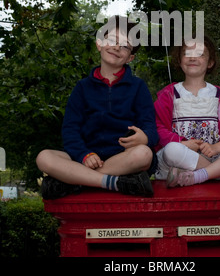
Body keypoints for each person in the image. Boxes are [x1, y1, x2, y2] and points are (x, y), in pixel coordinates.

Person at [36, 16, 158, 199]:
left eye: (125, 46)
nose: (117, 47)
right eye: (112, 40)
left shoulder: (138, 87)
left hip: (122, 158)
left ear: (130, 57)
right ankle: (112, 183)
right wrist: (84, 154)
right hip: (87, 157)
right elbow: (70, 130)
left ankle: (76, 180)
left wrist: (145, 137)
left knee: (144, 154)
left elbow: (151, 128)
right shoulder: (82, 88)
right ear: (99, 44)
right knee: (44, 157)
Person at [154, 35, 220, 188]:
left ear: (210, 62)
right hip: (181, 159)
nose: (192, 58)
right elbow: (157, 128)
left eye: (200, 54)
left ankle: (200, 175)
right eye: (187, 53)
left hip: (215, 156)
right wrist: (183, 143)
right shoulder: (168, 94)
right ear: (179, 60)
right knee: (172, 150)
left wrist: (218, 147)